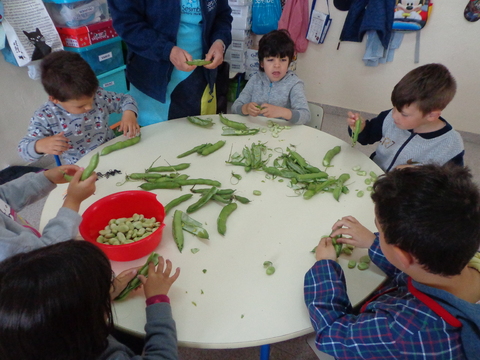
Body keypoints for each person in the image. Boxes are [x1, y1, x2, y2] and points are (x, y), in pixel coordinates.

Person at [304, 164, 480, 359]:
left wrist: (325, 267)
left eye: (379, 230)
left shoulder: (404, 332)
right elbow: (417, 268)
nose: (377, 233)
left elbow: (331, 336)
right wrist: (373, 242)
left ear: (402, 255)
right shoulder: (460, 260)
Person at [0, 240, 181, 360]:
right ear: (82, 324)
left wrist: (109, 291)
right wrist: (158, 300)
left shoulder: (36, 339)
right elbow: (163, 356)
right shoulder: (102, 354)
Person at [107, 0, 233, 126]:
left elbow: (222, 16)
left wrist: (219, 41)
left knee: (194, 133)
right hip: (153, 80)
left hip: (198, 77)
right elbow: (127, 24)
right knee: (157, 137)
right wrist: (167, 50)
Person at [18, 50, 140, 165]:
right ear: (55, 99)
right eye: (80, 106)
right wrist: (39, 146)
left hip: (113, 152)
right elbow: (23, 149)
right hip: (81, 166)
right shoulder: (45, 116)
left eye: (92, 99)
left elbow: (126, 99)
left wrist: (129, 113)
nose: (89, 106)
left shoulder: (99, 95)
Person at [347, 63, 464, 172]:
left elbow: (452, 185)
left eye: (404, 114)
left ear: (431, 115)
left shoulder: (450, 145)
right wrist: (360, 128)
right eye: (394, 108)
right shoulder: (390, 118)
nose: (394, 116)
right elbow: (366, 137)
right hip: (373, 176)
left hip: (405, 192)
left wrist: (420, 173)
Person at [0, 165, 96, 262]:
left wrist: (46, 178)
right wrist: (73, 201)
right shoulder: (6, 246)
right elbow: (44, 255)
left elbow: (4, 195)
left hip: (35, 243)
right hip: (47, 266)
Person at [231, 29, 310, 125]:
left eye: (283, 60)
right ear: (262, 63)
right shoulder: (255, 80)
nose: (277, 65)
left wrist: (283, 112)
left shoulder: (294, 84)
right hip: (256, 130)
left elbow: (305, 116)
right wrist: (246, 108)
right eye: (271, 60)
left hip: (283, 133)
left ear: (289, 63)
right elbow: (235, 107)